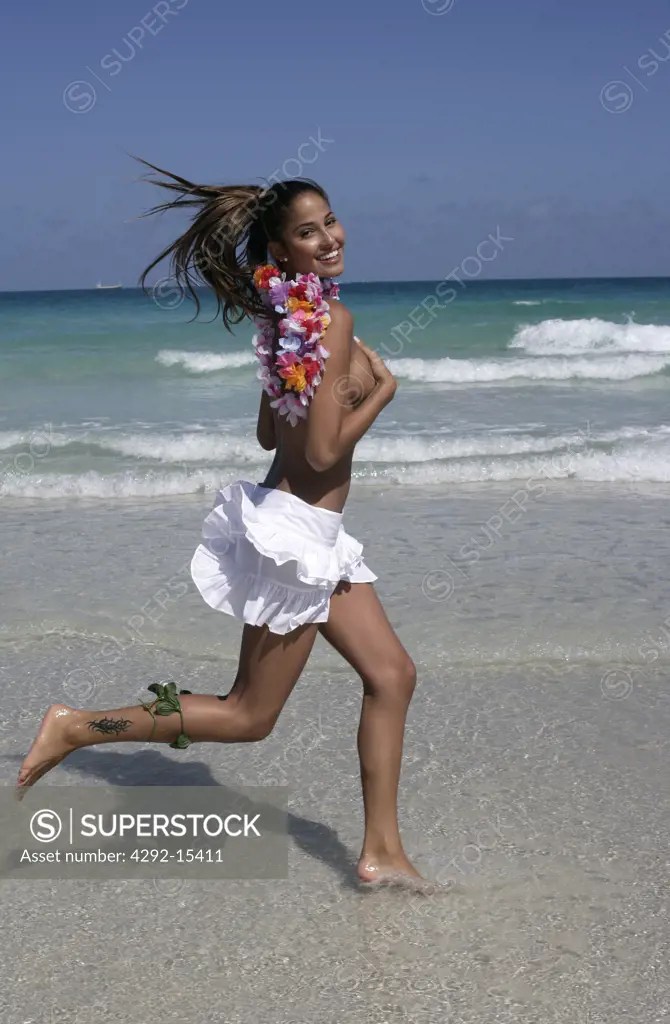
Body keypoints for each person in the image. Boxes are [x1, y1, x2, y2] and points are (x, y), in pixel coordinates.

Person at [16, 166, 428, 890]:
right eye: (309, 230)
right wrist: (383, 394)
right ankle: (80, 726)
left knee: (391, 675)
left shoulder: (289, 317)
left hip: (309, 531)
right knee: (246, 715)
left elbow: (270, 431)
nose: (330, 237)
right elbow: (325, 451)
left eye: (330, 220)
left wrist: (332, 391)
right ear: (281, 246)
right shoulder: (327, 324)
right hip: (297, 537)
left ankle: (381, 854)